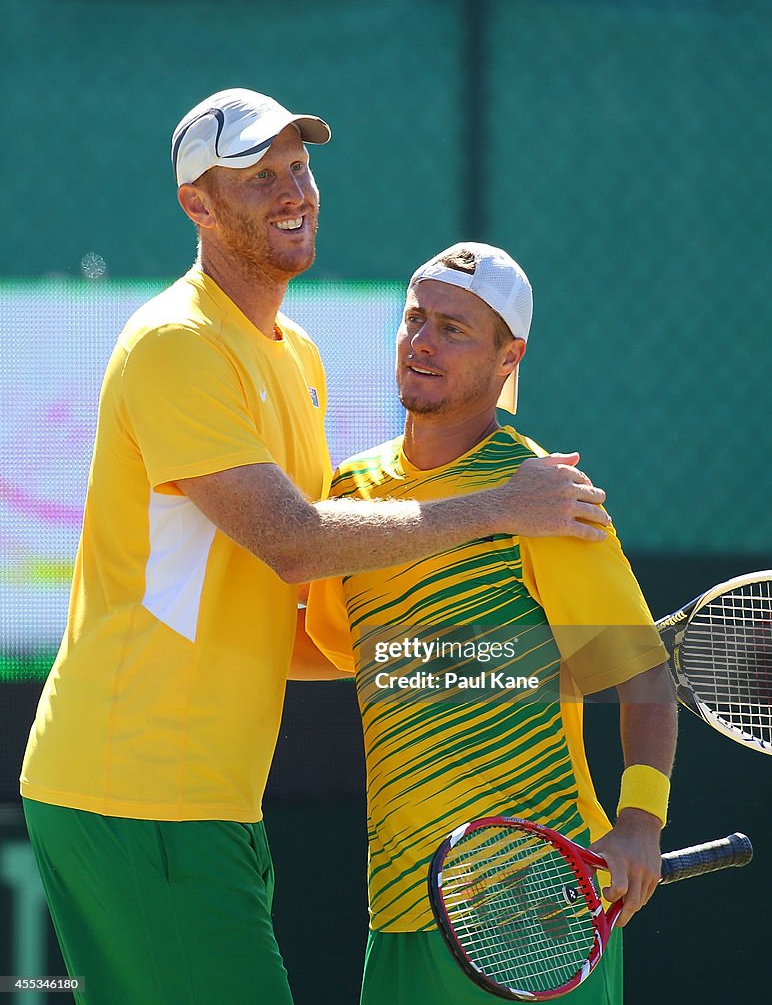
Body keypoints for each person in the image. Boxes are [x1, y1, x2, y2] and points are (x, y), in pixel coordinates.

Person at [19, 91, 612, 1004]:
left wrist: (435, 654)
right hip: (130, 787)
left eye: (299, 167)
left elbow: (280, 619)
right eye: (258, 176)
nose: (293, 190)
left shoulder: (297, 354)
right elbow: (297, 546)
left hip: (208, 800)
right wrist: (504, 507)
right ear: (198, 207)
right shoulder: (177, 345)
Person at [304, 242, 678, 1004]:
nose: (423, 342)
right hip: (402, 910)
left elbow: (640, 671)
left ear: (510, 357)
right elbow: (352, 653)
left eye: (453, 328)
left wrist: (641, 820)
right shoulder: (347, 489)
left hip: (539, 913)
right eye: (415, 319)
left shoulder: (547, 495)